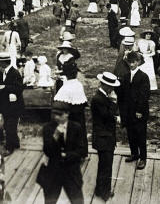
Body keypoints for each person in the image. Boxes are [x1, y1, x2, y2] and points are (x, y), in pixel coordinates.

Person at [39, 101, 86, 204]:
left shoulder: (76, 128)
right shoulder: (48, 128)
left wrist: (66, 156)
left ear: (67, 114)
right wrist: (55, 136)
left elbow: (81, 151)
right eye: (54, 114)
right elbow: (47, 150)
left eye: (59, 115)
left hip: (71, 171)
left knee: (77, 200)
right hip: (53, 171)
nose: (56, 117)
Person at [116, 51, 150, 169]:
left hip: (139, 112)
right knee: (131, 133)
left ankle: (143, 158)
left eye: (134, 62)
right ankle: (134, 154)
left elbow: (144, 95)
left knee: (140, 134)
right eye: (129, 62)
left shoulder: (143, 76)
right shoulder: (125, 77)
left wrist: (139, 110)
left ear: (138, 62)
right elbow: (121, 94)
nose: (131, 64)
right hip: (128, 111)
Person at [91, 72, 120, 201]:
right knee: (106, 166)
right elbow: (106, 116)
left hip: (105, 136)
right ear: (106, 86)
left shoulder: (102, 97)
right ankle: (104, 193)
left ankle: (99, 189)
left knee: (104, 165)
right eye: (111, 86)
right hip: (104, 137)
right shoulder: (98, 99)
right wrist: (114, 102)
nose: (113, 89)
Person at [54, 62, 89, 158]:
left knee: (71, 134)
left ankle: (71, 154)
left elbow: (59, 102)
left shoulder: (66, 87)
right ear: (76, 74)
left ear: (65, 74)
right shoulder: (78, 84)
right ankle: (82, 152)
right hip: (79, 114)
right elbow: (83, 102)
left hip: (71, 115)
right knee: (80, 132)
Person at [0, 52, 24, 155]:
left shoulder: (14, 73)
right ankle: (16, 143)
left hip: (15, 106)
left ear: (4, 63)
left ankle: (9, 147)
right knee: (9, 125)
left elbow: (19, 88)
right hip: (7, 105)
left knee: (10, 127)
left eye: (0, 62)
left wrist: (5, 87)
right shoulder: (5, 72)